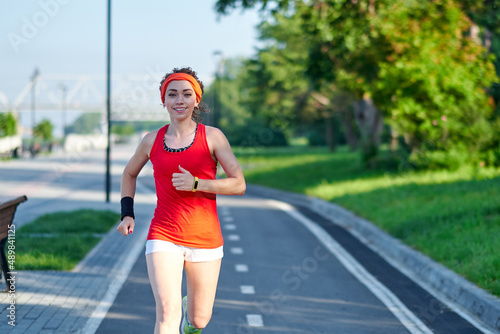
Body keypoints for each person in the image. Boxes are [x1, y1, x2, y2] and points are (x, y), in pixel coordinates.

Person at [117, 67, 246, 334]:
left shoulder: (212, 137)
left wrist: (198, 184)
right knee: (167, 313)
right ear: (163, 100)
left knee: (199, 319)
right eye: (172, 94)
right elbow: (129, 173)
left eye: (186, 94)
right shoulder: (150, 141)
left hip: (205, 237)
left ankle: (192, 319)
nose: (179, 101)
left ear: (196, 100)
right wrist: (127, 213)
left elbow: (239, 184)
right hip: (163, 234)